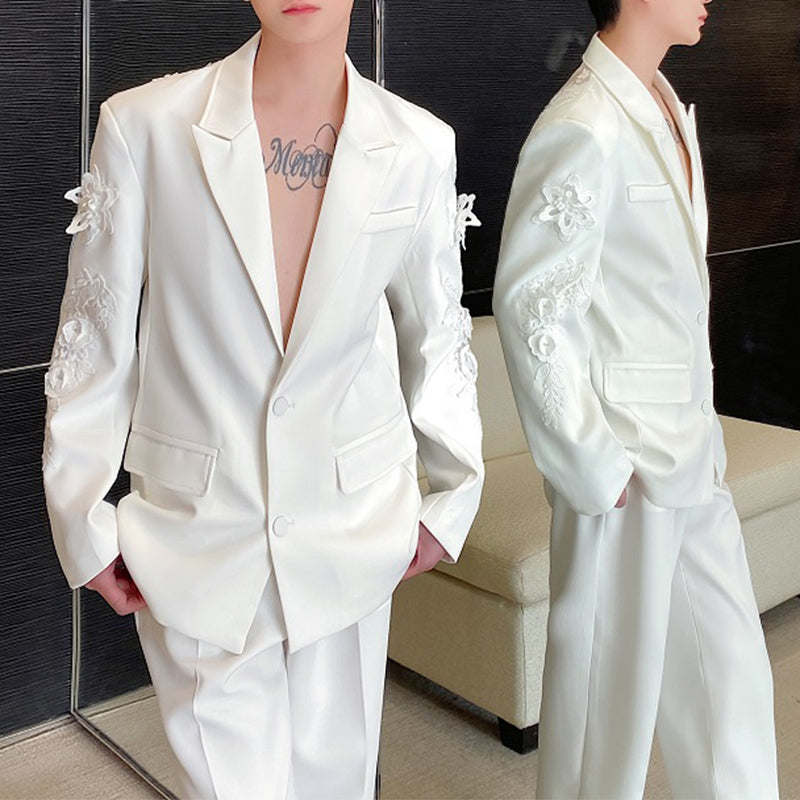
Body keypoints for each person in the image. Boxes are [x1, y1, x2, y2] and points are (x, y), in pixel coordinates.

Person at [42, 1, 484, 797]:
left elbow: (437, 331)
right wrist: (81, 519)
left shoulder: (419, 143)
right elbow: (94, 336)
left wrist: (453, 500)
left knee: (339, 779)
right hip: (195, 534)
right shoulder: (145, 127)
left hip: (357, 525)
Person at [493, 0, 779, 797]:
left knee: (731, 681)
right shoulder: (583, 124)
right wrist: (593, 467)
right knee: (604, 716)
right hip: (623, 467)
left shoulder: (661, 103)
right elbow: (533, 309)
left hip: (692, 454)